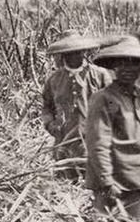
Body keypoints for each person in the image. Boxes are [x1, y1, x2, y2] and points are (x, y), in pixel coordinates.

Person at [85, 39, 140, 222]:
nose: (128, 68)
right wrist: (106, 180)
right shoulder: (103, 99)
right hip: (111, 178)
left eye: (134, 63)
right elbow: (97, 143)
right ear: (113, 67)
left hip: (135, 177)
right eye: (122, 63)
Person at [40, 33, 111, 181]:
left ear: (84, 52)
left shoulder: (100, 75)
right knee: (66, 182)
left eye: (79, 51)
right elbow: (47, 106)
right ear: (63, 55)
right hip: (63, 142)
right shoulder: (54, 80)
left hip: (93, 141)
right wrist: (50, 125)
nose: (76, 56)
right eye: (71, 53)